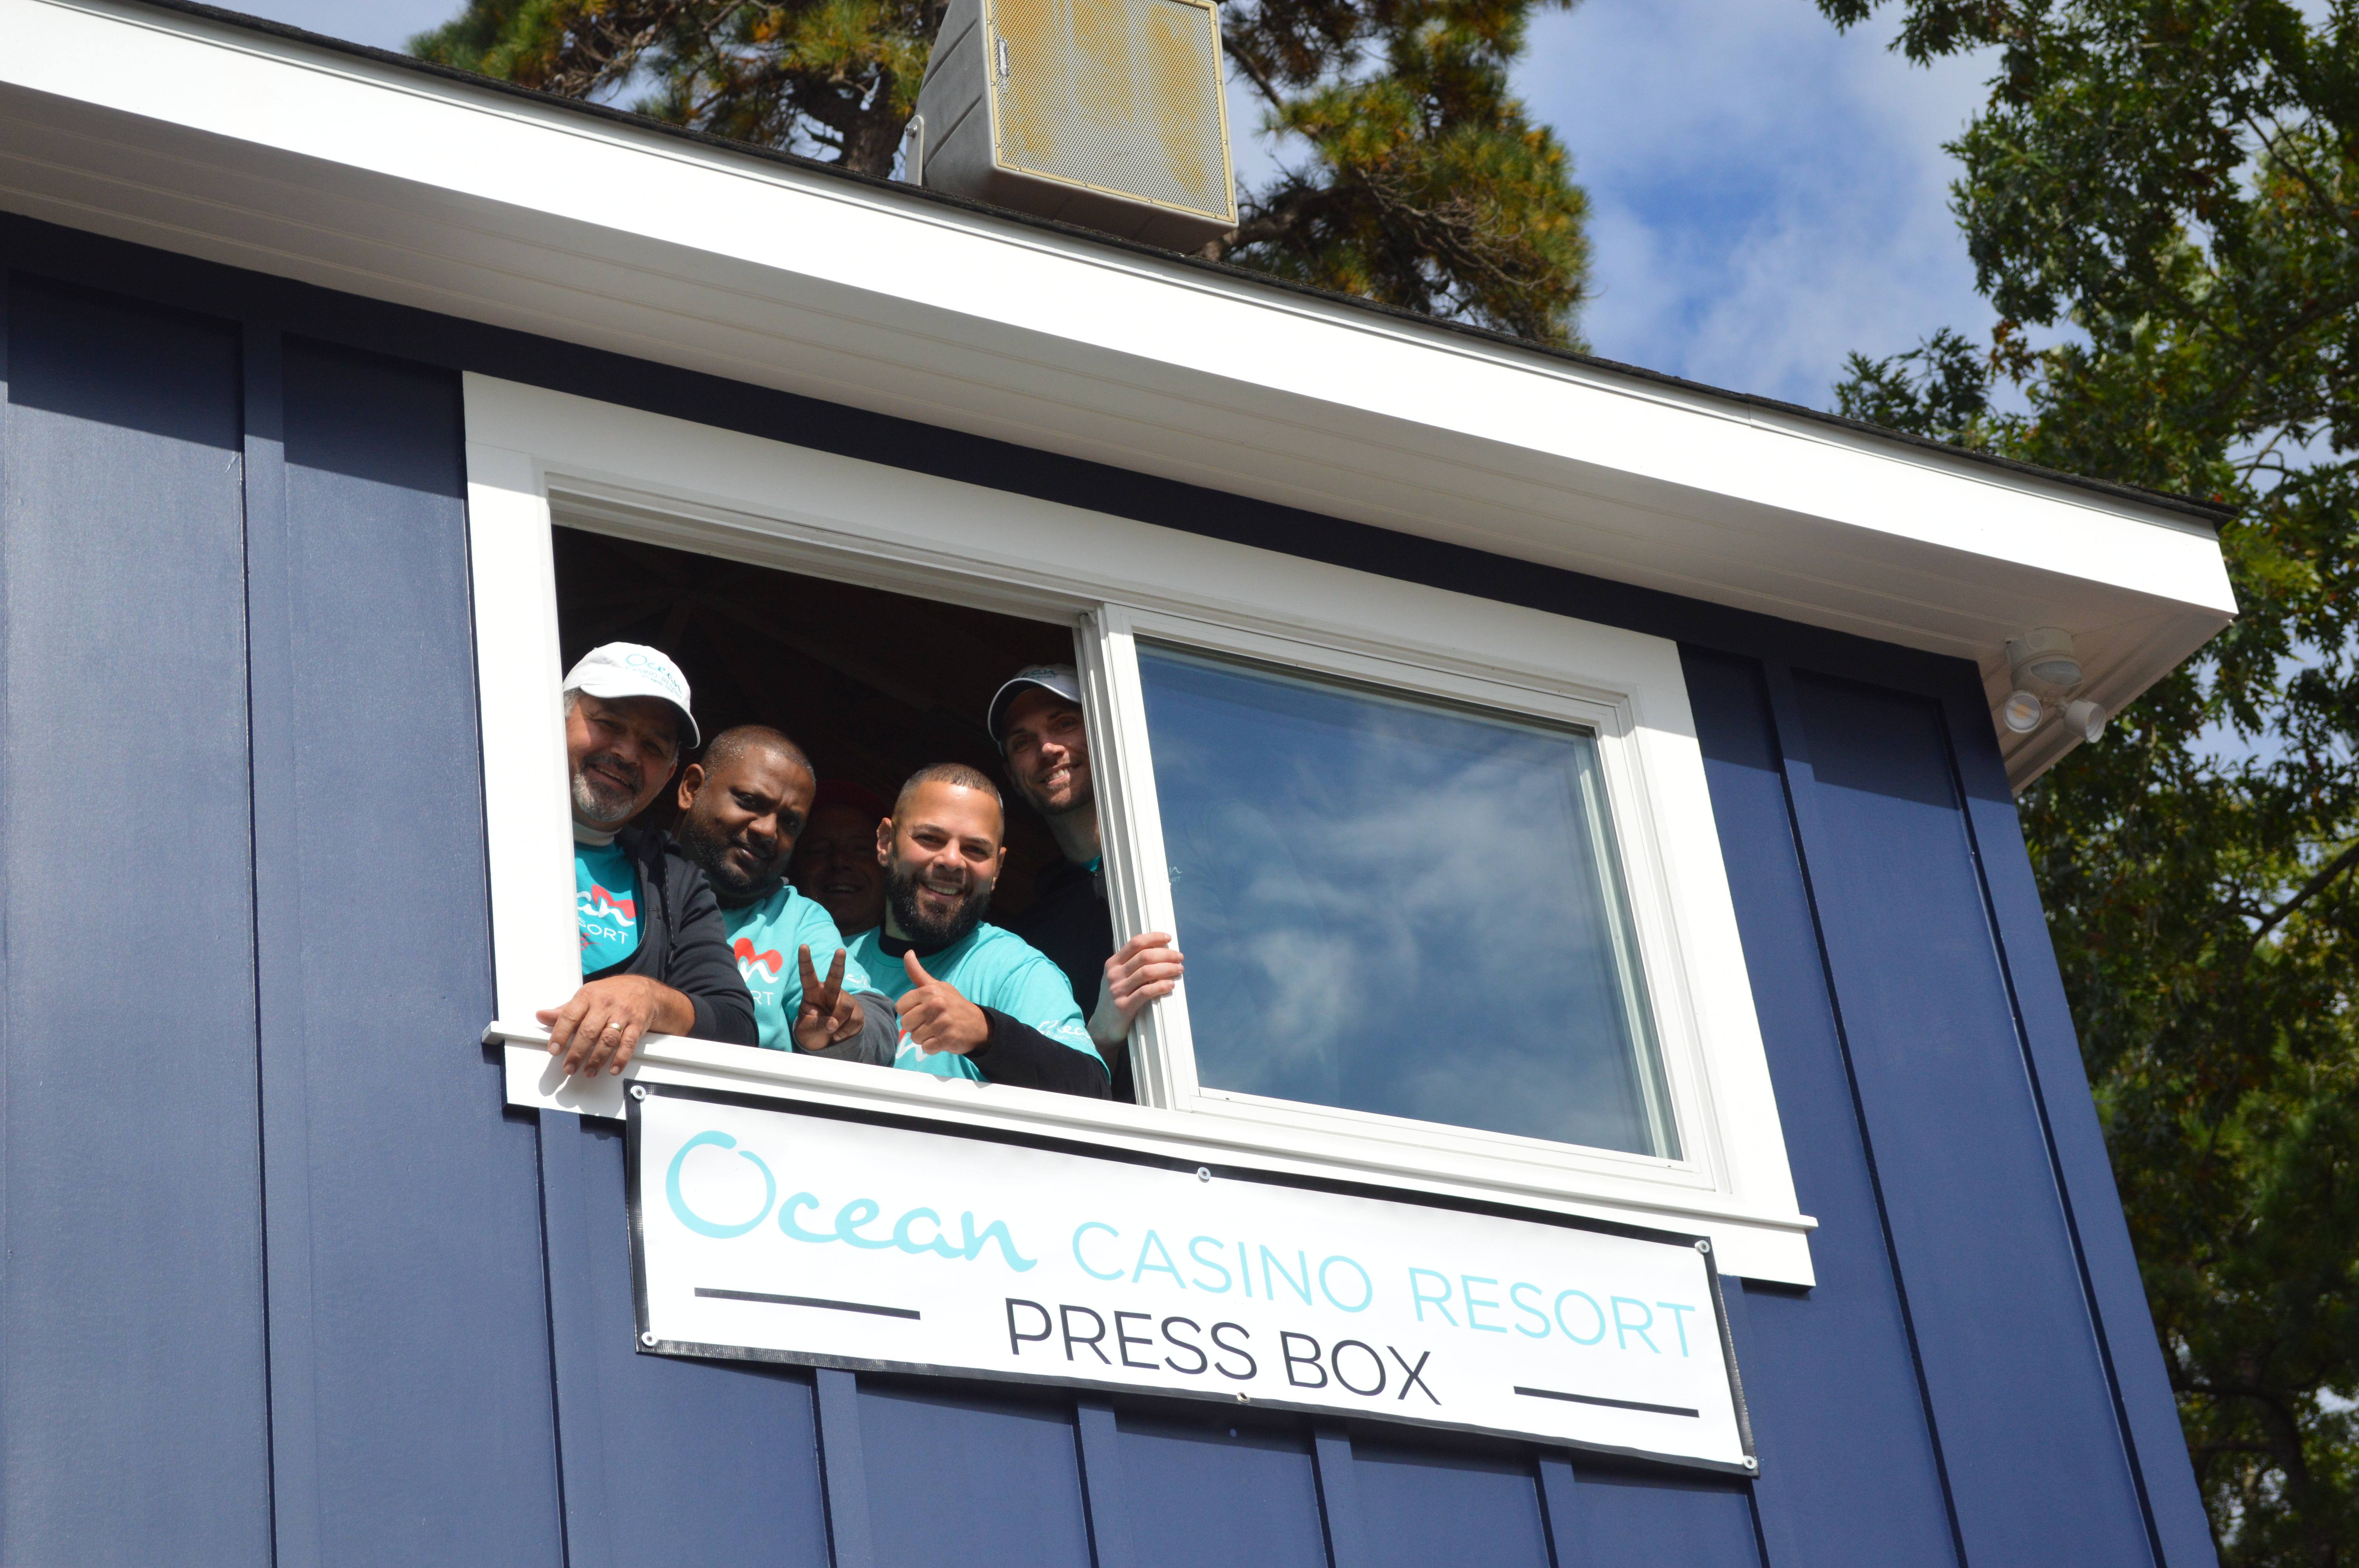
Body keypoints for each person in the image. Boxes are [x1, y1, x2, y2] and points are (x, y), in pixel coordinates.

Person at [543, 642, 757, 1076]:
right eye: (607, 723)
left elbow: (735, 1025)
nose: (627, 754)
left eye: (653, 746)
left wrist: (652, 998)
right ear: (553, 718)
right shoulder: (478, 826)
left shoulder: (675, 882)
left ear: (670, 775)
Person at [844, 764, 1110, 1098]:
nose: (952, 860)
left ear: (997, 869)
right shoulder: (831, 957)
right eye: (930, 838)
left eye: (975, 849)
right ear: (886, 842)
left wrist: (987, 1034)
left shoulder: (1018, 971)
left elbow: (1094, 1090)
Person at [989, 664, 1184, 1102]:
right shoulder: (1029, 941)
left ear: (1107, 729)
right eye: (1023, 742)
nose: (1047, 748)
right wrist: (1101, 1035)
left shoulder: (1198, 843)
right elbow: (1042, 1097)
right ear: (1011, 777)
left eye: (1064, 723)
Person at [672, 726, 899, 1064]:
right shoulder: (630, 871)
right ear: (692, 788)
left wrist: (844, 1030)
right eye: (749, 802)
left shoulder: (797, 917)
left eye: (790, 823)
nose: (767, 830)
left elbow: (875, 1022)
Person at [788, 779, 891, 939]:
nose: (840, 861)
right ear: (792, 867)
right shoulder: (755, 955)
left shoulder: (921, 961)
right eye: (819, 850)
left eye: (861, 849)